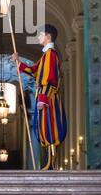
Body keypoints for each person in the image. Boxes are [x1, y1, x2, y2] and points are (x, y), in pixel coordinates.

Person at [12, 24, 67, 170]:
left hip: (47, 97)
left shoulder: (50, 54)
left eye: (40, 34)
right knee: (44, 128)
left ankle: (50, 164)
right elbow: (34, 71)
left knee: (50, 128)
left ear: (48, 36)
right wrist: (18, 62)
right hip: (44, 96)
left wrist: (42, 99)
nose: (38, 37)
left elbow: (48, 79)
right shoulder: (45, 55)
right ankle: (48, 163)